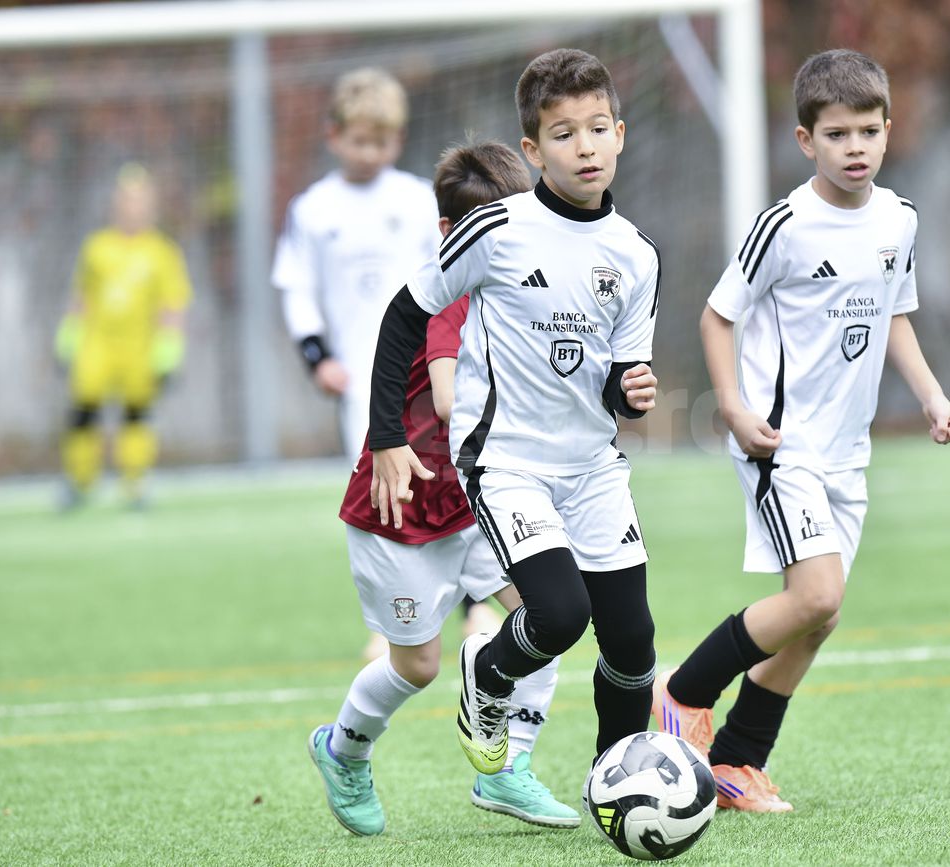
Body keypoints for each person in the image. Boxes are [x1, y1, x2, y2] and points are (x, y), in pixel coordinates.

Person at [651, 49, 950, 813]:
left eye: (868, 131)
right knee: (816, 592)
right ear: (805, 140)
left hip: (847, 452)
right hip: (780, 442)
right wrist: (733, 408)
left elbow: (896, 315)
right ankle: (682, 692)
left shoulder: (900, 219)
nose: (855, 147)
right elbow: (717, 317)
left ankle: (736, 761)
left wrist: (932, 396)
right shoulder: (785, 225)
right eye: (836, 134)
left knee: (820, 616)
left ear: (888, 130)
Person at [367, 49, 661, 777]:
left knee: (632, 639)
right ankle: (489, 674)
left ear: (620, 135)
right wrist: (387, 437)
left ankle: (616, 779)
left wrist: (630, 390)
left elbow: (616, 379)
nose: (585, 147)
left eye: (598, 128)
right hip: (505, 461)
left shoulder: (637, 255)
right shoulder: (496, 228)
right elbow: (405, 315)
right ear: (533, 151)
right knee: (560, 614)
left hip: (592, 465)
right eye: (564, 134)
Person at [307, 140, 578, 837]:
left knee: (548, 618)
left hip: (479, 503)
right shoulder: (448, 297)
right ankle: (343, 750)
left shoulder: (525, 294)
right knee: (418, 665)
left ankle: (506, 768)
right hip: (400, 512)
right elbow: (455, 400)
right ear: (447, 233)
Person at [272, 67, 501, 658]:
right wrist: (317, 356)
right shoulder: (312, 209)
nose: (369, 153)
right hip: (364, 378)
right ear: (334, 136)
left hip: (437, 363)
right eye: (359, 141)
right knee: (384, 486)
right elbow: (296, 287)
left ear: (398, 140)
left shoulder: (418, 199)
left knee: (458, 473)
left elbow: (456, 271)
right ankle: (393, 618)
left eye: (381, 142)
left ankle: (475, 605)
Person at [56, 163, 192, 509]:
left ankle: (135, 482)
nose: (133, 208)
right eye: (127, 200)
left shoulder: (161, 251)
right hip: (97, 344)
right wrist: (69, 334)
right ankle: (79, 480)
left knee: (136, 413)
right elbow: (82, 296)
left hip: (139, 347)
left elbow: (172, 304)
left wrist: (169, 347)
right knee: (84, 409)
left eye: (140, 201)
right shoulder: (97, 247)